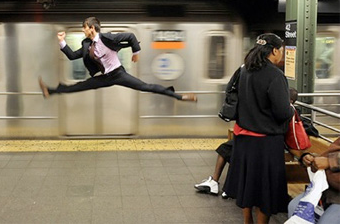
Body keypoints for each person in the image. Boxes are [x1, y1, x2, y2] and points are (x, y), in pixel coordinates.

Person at [222, 33, 295, 224]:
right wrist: (291, 108)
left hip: (244, 141)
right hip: (266, 144)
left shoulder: (245, 70)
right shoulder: (275, 75)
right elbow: (281, 112)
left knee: (249, 186)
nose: (282, 55)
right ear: (274, 51)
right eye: (281, 50)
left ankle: (248, 221)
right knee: (265, 192)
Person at [38, 16, 197, 101]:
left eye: (84, 28)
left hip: (118, 74)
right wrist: (61, 41)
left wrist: (136, 52)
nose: (83, 30)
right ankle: (50, 91)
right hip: (104, 78)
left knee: (145, 87)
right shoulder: (87, 44)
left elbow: (131, 36)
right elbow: (72, 56)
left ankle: (180, 97)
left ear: (92, 28)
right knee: (79, 86)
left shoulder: (107, 38)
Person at [288, 136, 340, 224]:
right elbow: (327, 155)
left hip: (337, 196)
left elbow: (329, 160)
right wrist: (311, 159)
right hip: (325, 190)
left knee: (327, 221)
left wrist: (330, 162)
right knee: (294, 207)